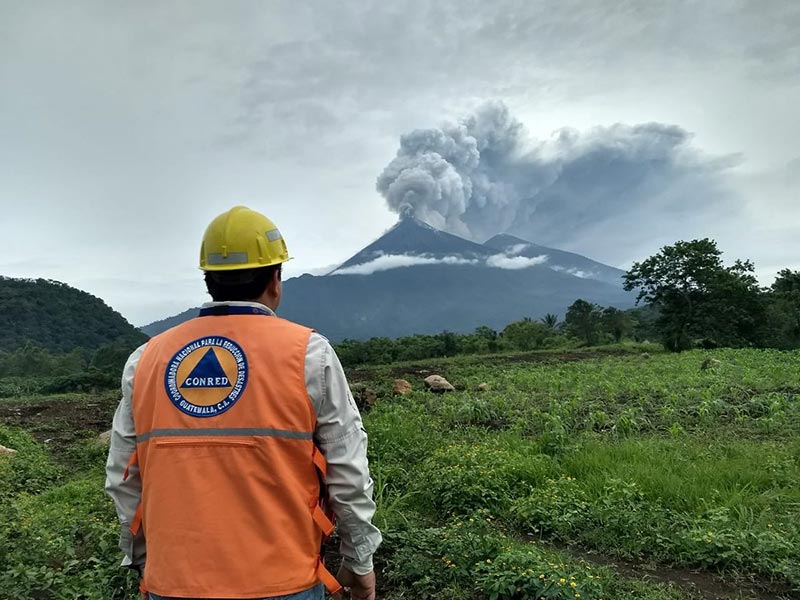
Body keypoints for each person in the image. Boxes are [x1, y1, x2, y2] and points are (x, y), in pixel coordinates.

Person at [105, 206, 382, 600]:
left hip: (173, 583)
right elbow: (347, 468)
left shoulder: (146, 359)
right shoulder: (308, 354)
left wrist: (143, 558)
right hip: (283, 581)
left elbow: (123, 476)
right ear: (275, 279)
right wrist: (360, 560)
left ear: (208, 281)